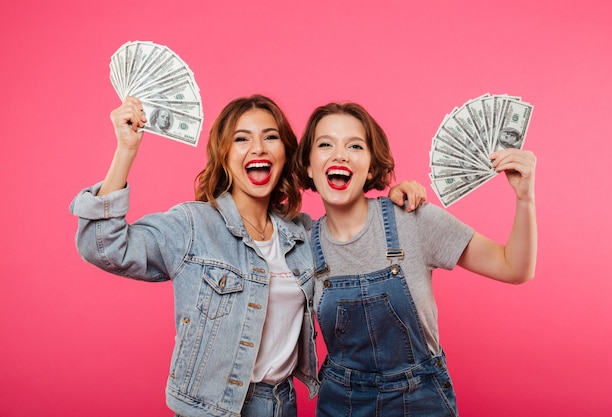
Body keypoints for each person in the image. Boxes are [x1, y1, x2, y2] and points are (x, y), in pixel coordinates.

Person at [70, 95, 421, 417]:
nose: (258, 148)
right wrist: (126, 150)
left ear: (286, 152)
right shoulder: (194, 225)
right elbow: (103, 247)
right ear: (224, 154)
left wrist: (394, 201)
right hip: (212, 409)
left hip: (283, 404)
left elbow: (355, 231)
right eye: (242, 139)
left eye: (270, 137)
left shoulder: (303, 234)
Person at [294, 102, 537, 417]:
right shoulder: (300, 244)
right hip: (342, 403)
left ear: (370, 167)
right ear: (309, 166)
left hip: (421, 400)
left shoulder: (413, 218)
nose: (340, 154)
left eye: (354, 145)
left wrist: (525, 197)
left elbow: (514, 267)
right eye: (325, 144)